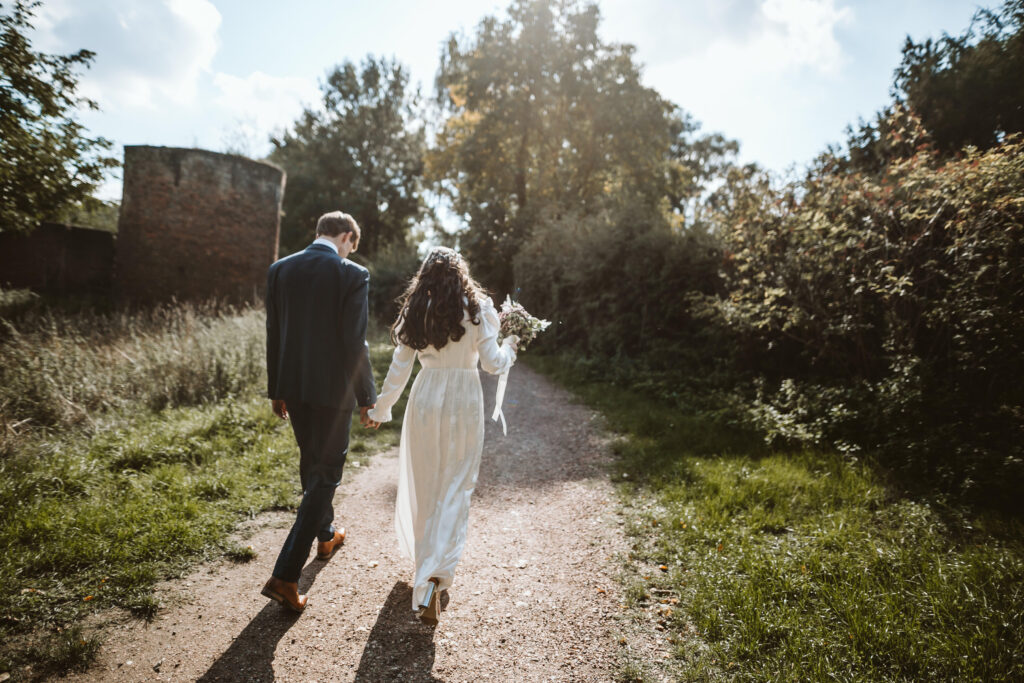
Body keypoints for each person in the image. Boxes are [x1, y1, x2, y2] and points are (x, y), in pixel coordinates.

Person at [366, 247, 517, 625]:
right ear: (461, 273)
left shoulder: (416, 309)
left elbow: (399, 370)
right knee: (456, 486)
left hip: (426, 397)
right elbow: (493, 364)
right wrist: (512, 343)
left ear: (424, 276)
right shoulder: (479, 308)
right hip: (464, 400)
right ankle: (435, 576)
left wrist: (380, 410)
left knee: (427, 485)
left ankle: (425, 574)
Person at [261, 211, 377, 613]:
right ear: (346, 236)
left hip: (293, 388)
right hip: (333, 393)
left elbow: (274, 333)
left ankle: (326, 533)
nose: (349, 251)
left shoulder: (280, 269)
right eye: (351, 244)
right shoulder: (352, 274)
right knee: (326, 474)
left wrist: (277, 390)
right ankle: (286, 574)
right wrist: (367, 396)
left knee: (312, 463)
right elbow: (354, 343)